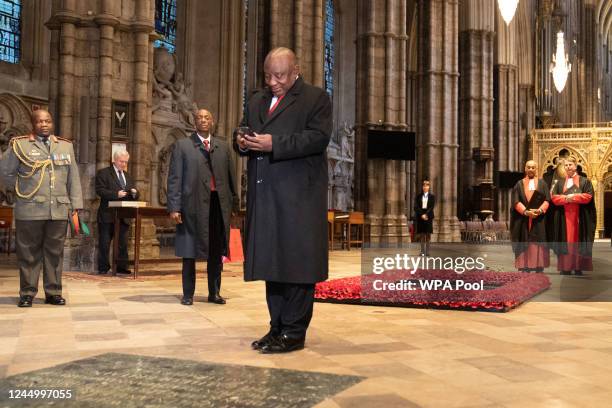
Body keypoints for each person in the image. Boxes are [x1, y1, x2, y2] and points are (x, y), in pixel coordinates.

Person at [235, 47, 332, 354]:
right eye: (268, 75)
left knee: (297, 265)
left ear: (296, 71)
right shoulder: (256, 101)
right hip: (265, 196)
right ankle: (276, 327)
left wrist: (273, 144)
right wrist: (242, 141)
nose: (273, 82)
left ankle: (294, 331)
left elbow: (317, 138)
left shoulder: (316, 99)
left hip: (298, 198)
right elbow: (245, 131)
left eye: (279, 75)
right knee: (272, 263)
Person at [0, 110, 83, 307]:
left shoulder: (65, 146)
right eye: (39, 121)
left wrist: (76, 205)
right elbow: (5, 172)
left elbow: (73, 178)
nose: (44, 124)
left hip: (58, 209)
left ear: (52, 123)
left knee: (55, 253)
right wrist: (20, 189)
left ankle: (53, 292)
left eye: (47, 121)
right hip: (29, 208)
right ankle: (27, 293)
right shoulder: (19, 145)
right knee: (29, 252)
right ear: (33, 124)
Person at [167, 109, 238, 306]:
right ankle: (188, 294)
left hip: (218, 205)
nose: (203, 120)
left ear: (212, 121)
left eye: (207, 117)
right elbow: (174, 179)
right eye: (199, 118)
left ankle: (214, 293)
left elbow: (232, 179)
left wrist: (234, 204)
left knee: (216, 251)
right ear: (194, 121)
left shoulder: (222, 147)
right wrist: (174, 207)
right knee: (189, 250)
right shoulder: (183, 146)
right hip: (191, 206)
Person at [95, 150, 139, 275]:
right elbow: (100, 190)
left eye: (126, 162)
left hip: (123, 215)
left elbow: (134, 192)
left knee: (123, 244)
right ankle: (103, 267)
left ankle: (121, 266)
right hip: (108, 214)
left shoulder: (128, 176)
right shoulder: (104, 173)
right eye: (121, 161)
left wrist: (135, 193)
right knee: (105, 242)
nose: (124, 164)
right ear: (114, 160)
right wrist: (116, 194)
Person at [550, 157, 596, 275]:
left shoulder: (585, 181)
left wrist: (573, 197)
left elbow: (588, 196)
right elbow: (554, 198)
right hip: (563, 218)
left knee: (577, 242)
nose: (568, 167)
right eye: (566, 165)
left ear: (575, 166)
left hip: (579, 218)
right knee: (565, 241)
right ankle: (565, 267)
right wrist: (566, 198)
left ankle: (578, 266)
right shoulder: (559, 183)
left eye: (570, 164)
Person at [509, 160, 550, 273]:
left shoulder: (542, 183)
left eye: (533, 167)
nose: (531, 169)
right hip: (523, 219)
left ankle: (538, 265)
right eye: (529, 167)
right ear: (525, 169)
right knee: (524, 240)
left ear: (536, 169)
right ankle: (524, 265)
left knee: (538, 241)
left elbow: (547, 200)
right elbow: (516, 201)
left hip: (538, 219)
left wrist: (540, 210)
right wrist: (526, 212)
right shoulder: (519, 184)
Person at [413, 179, 435, 256]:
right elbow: (416, 207)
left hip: (428, 217)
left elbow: (431, 207)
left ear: (429, 187)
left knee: (428, 235)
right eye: (424, 185)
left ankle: (427, 252)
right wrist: (422, 214)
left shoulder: (432, 197)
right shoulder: (418, 197)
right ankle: (422, 251)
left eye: (427, 185)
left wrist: (426, 215)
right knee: (422, 235)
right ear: (422, 186)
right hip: (420, 217)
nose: (425, 186)